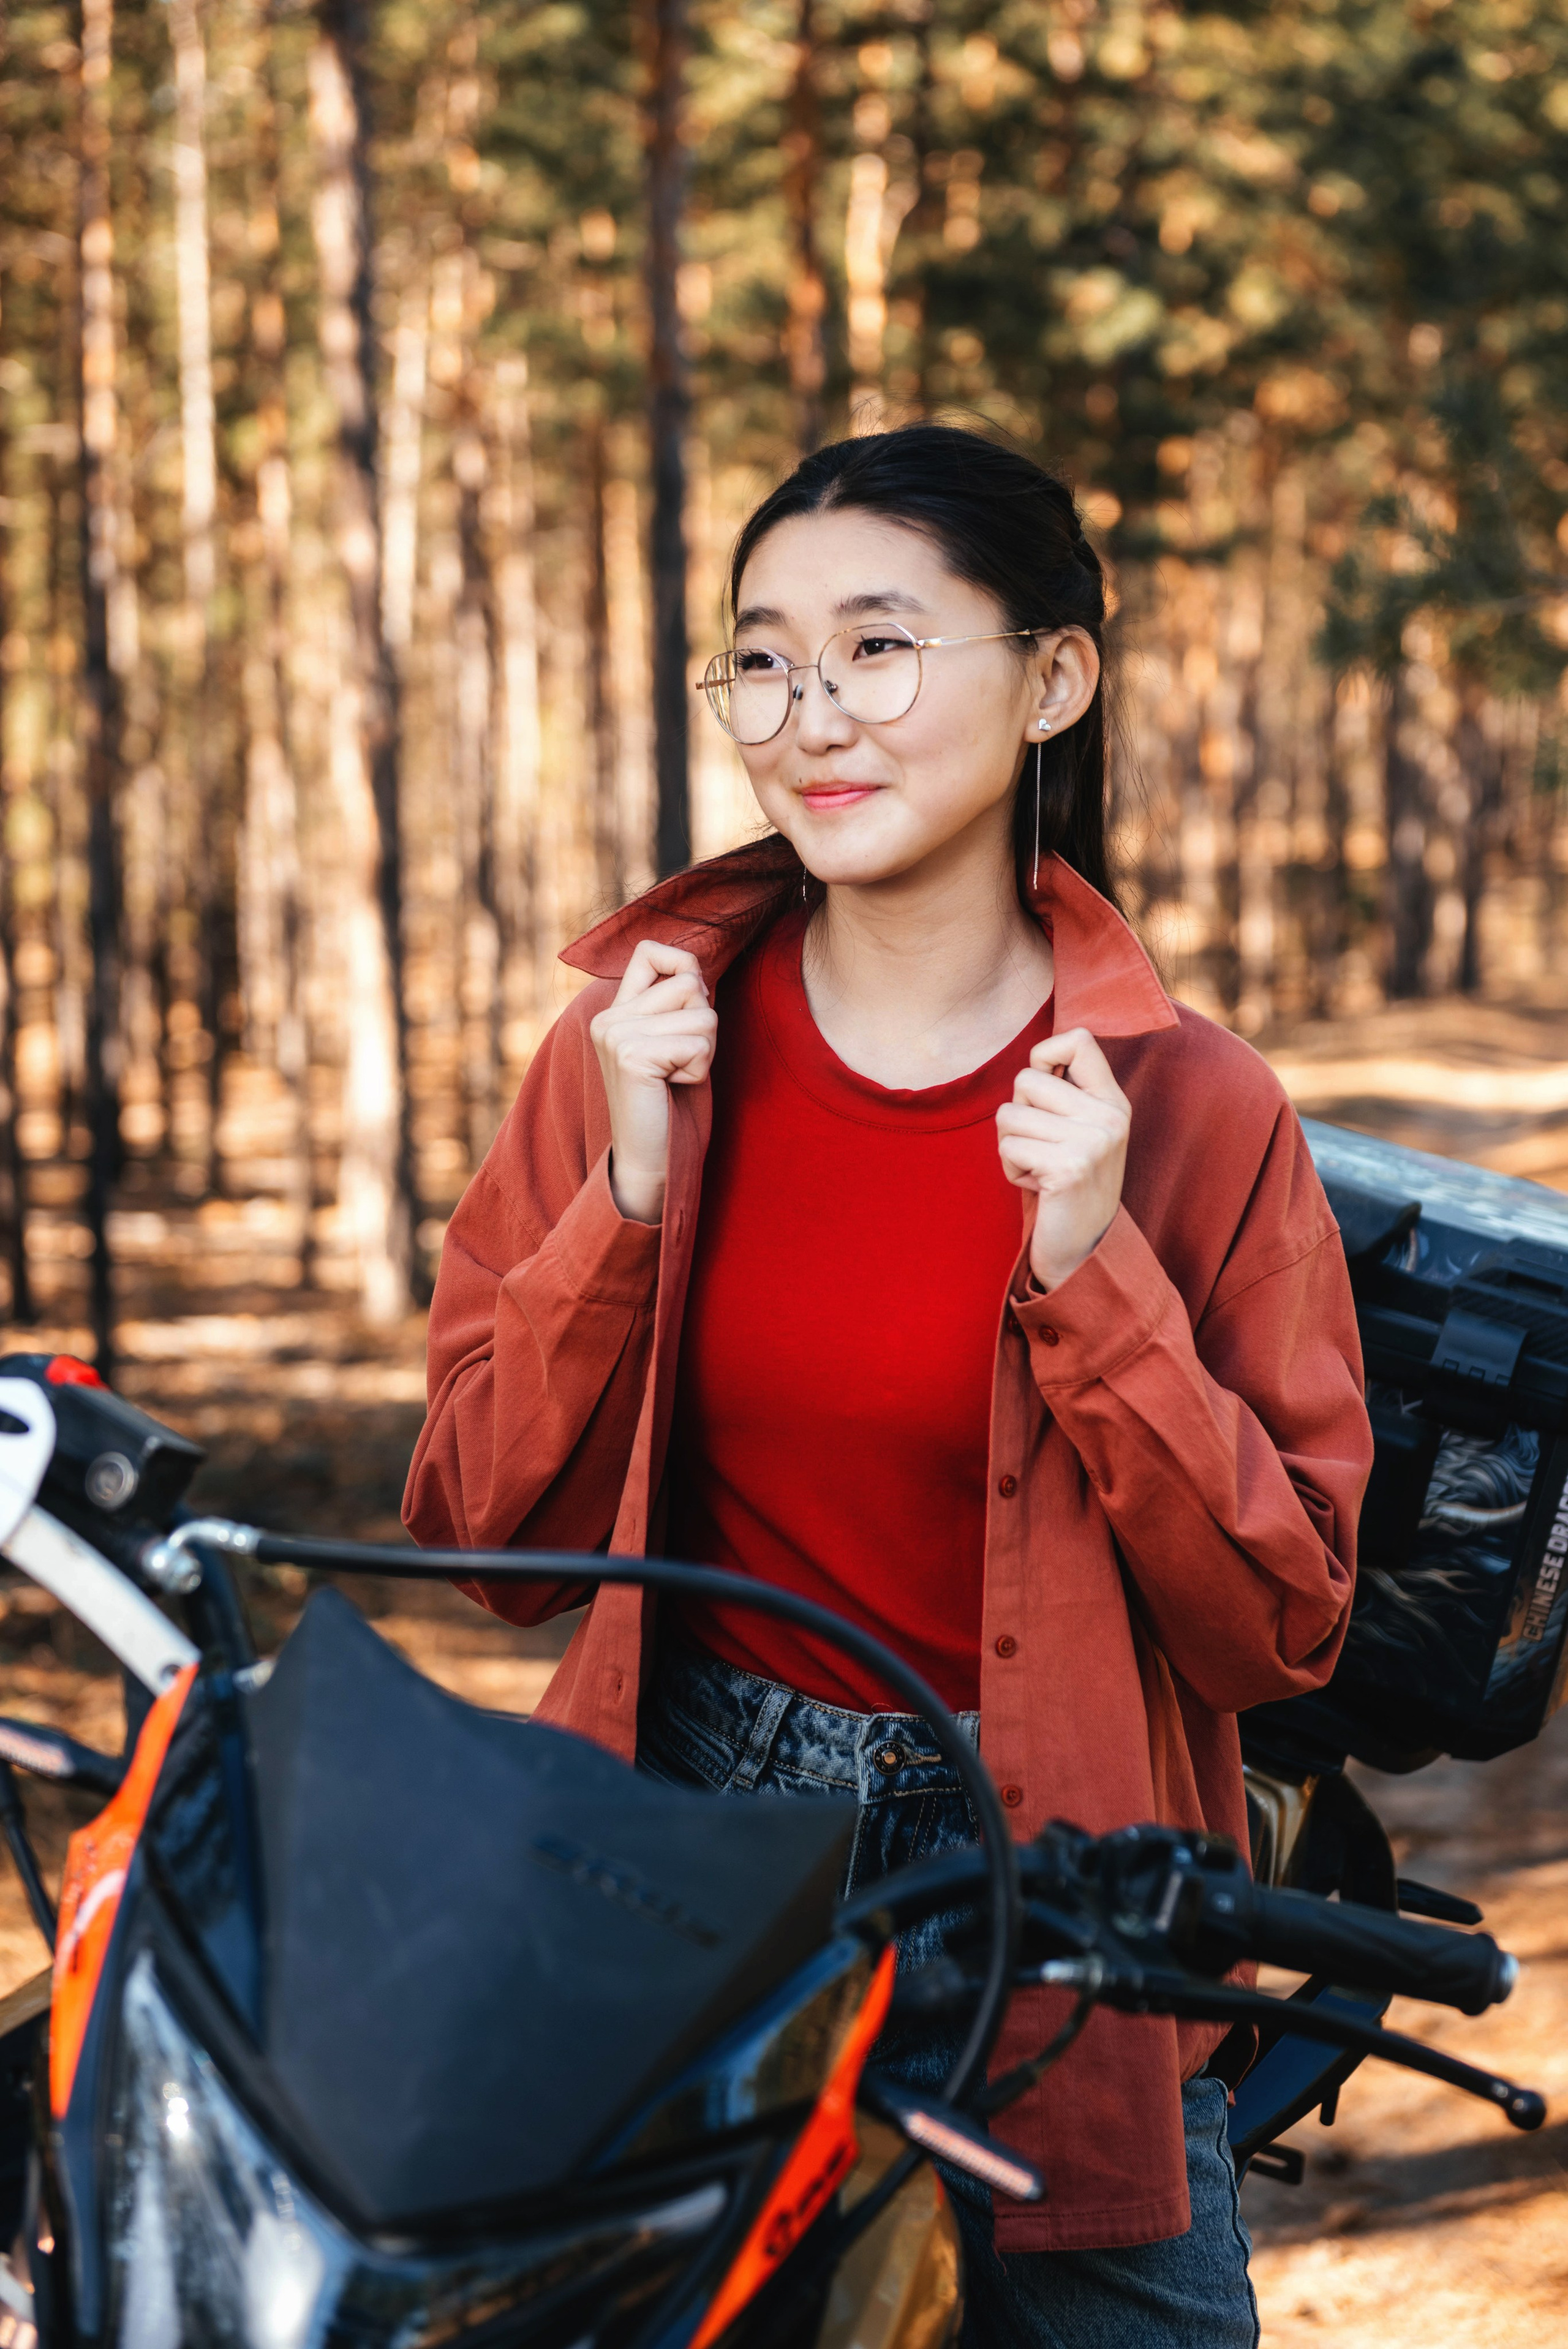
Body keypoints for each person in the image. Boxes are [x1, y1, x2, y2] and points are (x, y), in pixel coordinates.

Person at [404, 423, 1371, 2347]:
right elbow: (484, 1538)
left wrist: (1095, 1269)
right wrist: (626, 1197)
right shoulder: (633, 1045)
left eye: (877, 647)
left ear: (1053, 679)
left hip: (1055, 1890)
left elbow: (1282, 1625)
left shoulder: (1192, 1108)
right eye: (762, 658)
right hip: (685, 1855)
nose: (809, 716)